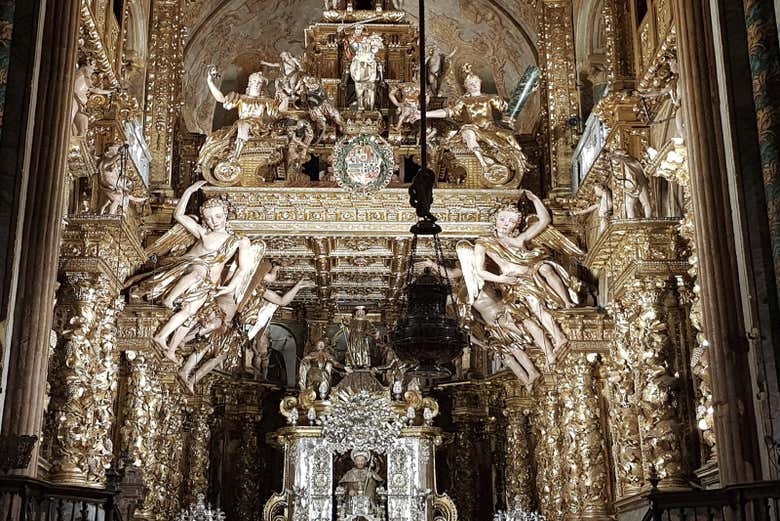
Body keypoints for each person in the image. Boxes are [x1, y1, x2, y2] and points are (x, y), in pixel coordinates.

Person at [126, 180, 254, 363]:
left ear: (226, 215)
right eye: (209, 218)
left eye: (217, 217)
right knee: (197, 273)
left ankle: (163, 339)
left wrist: (230, 287)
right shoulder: (204, 233)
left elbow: (244, 268)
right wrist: (189, 190)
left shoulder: (240, 241)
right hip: (192, 266)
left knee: (190, 313)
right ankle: (169, 298)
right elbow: (179, 215)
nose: (213, 222)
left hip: (209, 283)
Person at [472, 190, 578, 359]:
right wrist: (501, 279)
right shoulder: (484, 242)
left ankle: (567, 303)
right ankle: (558, 339)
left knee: (546, 268)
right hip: (516, 283)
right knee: (535, 307)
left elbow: (544, 220)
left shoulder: (520, 240)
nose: (506, 224)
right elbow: (479, 271)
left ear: (517, 224)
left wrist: (536, 198)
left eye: (512, 221)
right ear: (495, 220)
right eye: (503, 219)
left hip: (532, 271)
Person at [425, 63, 528, 180]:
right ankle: (484, 164)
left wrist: (525, 93)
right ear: (466, 87)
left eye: (476, 82)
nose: (474, 85)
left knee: (509, 137)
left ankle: (517, 166)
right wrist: (424, 114)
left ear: (480, 82)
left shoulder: (490, 98)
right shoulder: (463, 101)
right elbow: (449, 112)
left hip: (490, 128)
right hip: (472, 127)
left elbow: (510, 109)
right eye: (470, 83)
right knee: (468, 132)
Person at [205, 66, 279, 161]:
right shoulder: (240, 98)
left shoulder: (266, 101)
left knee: (243, 123)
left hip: (258, 127)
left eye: (259, 83)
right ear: (250, 84)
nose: (256, 85)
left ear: (262, 86)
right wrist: (210, 82)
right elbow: (221, 99)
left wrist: (280, 99)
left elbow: (275, 115)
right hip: (240, 126)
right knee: (215, 137)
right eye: (254, 82)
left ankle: (237, 155)